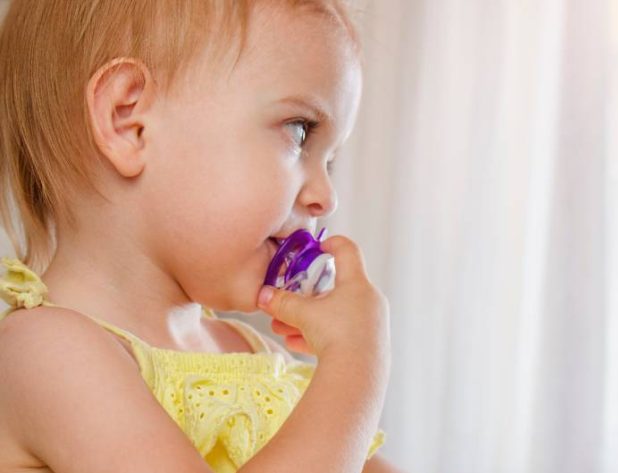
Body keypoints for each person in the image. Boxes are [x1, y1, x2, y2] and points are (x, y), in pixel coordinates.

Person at [0, 1, 398, 472]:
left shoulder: (254, 356)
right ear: (130, 122)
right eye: (299, 131)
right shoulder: (46, 356)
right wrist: (356, 368)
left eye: (329, 160)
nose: (326, 197)